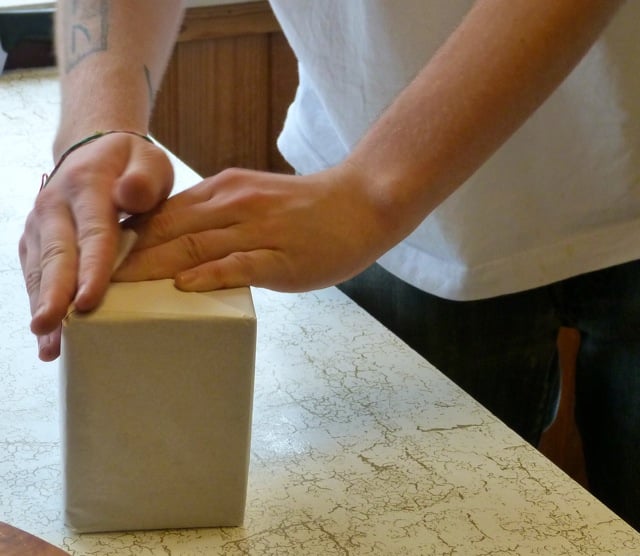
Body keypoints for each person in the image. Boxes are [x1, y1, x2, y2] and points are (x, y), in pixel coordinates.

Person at [18, 0, 640, 529]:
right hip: (381, 205)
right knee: (410, 527)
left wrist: (372, 192)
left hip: (396, 192)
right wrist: (96, 126)